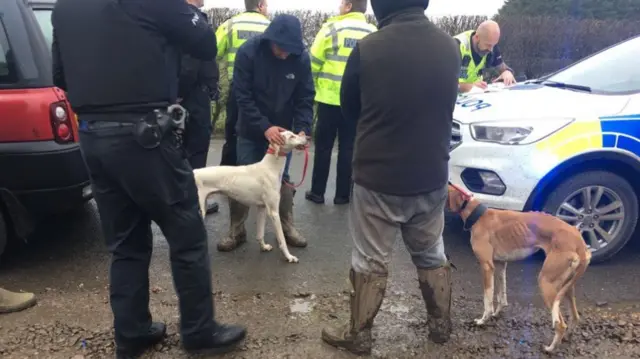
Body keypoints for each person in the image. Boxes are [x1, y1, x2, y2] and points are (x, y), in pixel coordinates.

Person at [51, 0, 246, 358]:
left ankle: (132, 333)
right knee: (186, 234)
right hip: (145, 136)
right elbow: (205, 42)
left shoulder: (65, 7)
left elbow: (59, 76)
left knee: (125, 243)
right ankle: (199, 331)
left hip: (94, 136)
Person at [321, 0, 460, 355]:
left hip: (377, 176)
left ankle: (360, 335)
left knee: (369, 259)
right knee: (431, 252)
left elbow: (349, 108)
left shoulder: (368, 49)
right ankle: (441, 327)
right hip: (430, 173)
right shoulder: (450, 46)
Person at [223, 14, 314, 252]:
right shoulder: (248, 53)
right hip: (252, 127)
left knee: (281, 179)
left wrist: (304, 128)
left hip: (282, 134)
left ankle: (286, 227)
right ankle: (236, 230)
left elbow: (305, 97)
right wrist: (264, 126)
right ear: (270, 40)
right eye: (280, 48)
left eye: (289, 50)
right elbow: (242, 96)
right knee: (240, 178)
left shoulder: (300, 58)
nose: (284, 53)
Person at [305, 0, 376, 206]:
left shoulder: (331, 28)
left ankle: (317, 193)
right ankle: (343, 195)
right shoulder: (372, 33)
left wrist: (315, 88)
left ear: (348, 6)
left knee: (324, 147)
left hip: (328, 100)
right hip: (356, 103)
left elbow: (314, 62)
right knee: (348, 148)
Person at [214, 0, 271, 251]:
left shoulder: (230, 24)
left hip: (238, 91)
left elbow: (213, 52)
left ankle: (230, 186)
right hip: (266, 94)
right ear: (260, 5)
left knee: (234, 141)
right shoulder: (270, 26)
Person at [178, 0, 220, 215]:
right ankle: (193, 203)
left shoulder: (182, 16)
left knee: (185, 150)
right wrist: (183, 93)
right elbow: (191, 61)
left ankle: (188, 200)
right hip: (193, 97)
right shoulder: (190, 19)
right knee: (195, 149)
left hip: (190, 94)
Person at [455, 20, 516, 93]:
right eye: (488, 45)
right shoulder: (456, 47)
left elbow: (502, 67)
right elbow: (443, 83)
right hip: (453, 98)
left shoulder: (490, 44)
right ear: (477, 37)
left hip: (475, 96)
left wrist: (507, 72)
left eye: (493, 45)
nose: (491, 49)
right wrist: (469, 86)